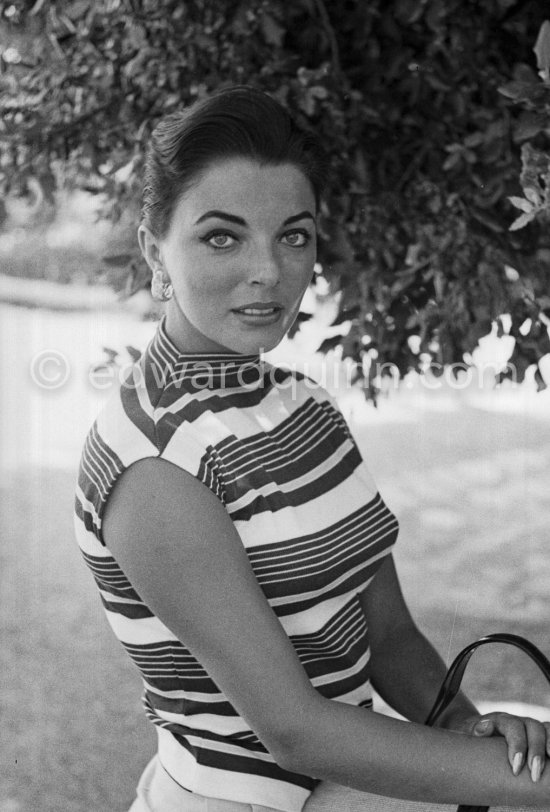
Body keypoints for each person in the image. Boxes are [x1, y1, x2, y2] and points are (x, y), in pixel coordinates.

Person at [74, 85, 550, 812]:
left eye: (293, 235)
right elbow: (296, 731)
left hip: (347, 785)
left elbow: (386, 632)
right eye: (222, 236)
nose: (269, 270)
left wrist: (467, 725)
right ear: (154, 250)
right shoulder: (155, 465)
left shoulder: (303, 403)